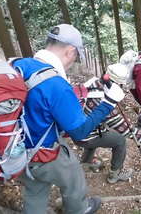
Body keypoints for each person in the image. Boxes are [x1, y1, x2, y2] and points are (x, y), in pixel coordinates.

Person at [12, 24, 125, 214]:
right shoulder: (56, 83)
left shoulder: (19, 64)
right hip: (43, 152)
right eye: (76, 56)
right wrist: (108, 103)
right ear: (70, 51)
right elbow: (79, 131)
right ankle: (80, 209)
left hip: (13, 148)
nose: (73, 61)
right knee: (74, 176)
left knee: (35, 191)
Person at [73, 63, 141, 183]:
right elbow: (125, 129)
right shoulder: (106, 103)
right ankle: (115, 174)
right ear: (119, 83)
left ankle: (86, 163)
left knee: (98, 131)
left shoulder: (93, 83)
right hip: (85, 136)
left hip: (74, 130)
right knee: (119, 141)